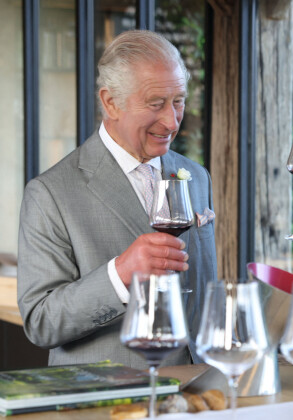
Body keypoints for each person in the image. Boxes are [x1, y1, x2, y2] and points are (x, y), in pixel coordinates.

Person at [17, 30, 217, 369]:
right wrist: (120, 273)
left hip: (200, 394)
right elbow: (41, 322)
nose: (171, 121)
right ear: (110, 102)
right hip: (107, 401)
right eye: (156, 104)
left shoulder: (196, 176)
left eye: (178, 101)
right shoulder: (49, 193)